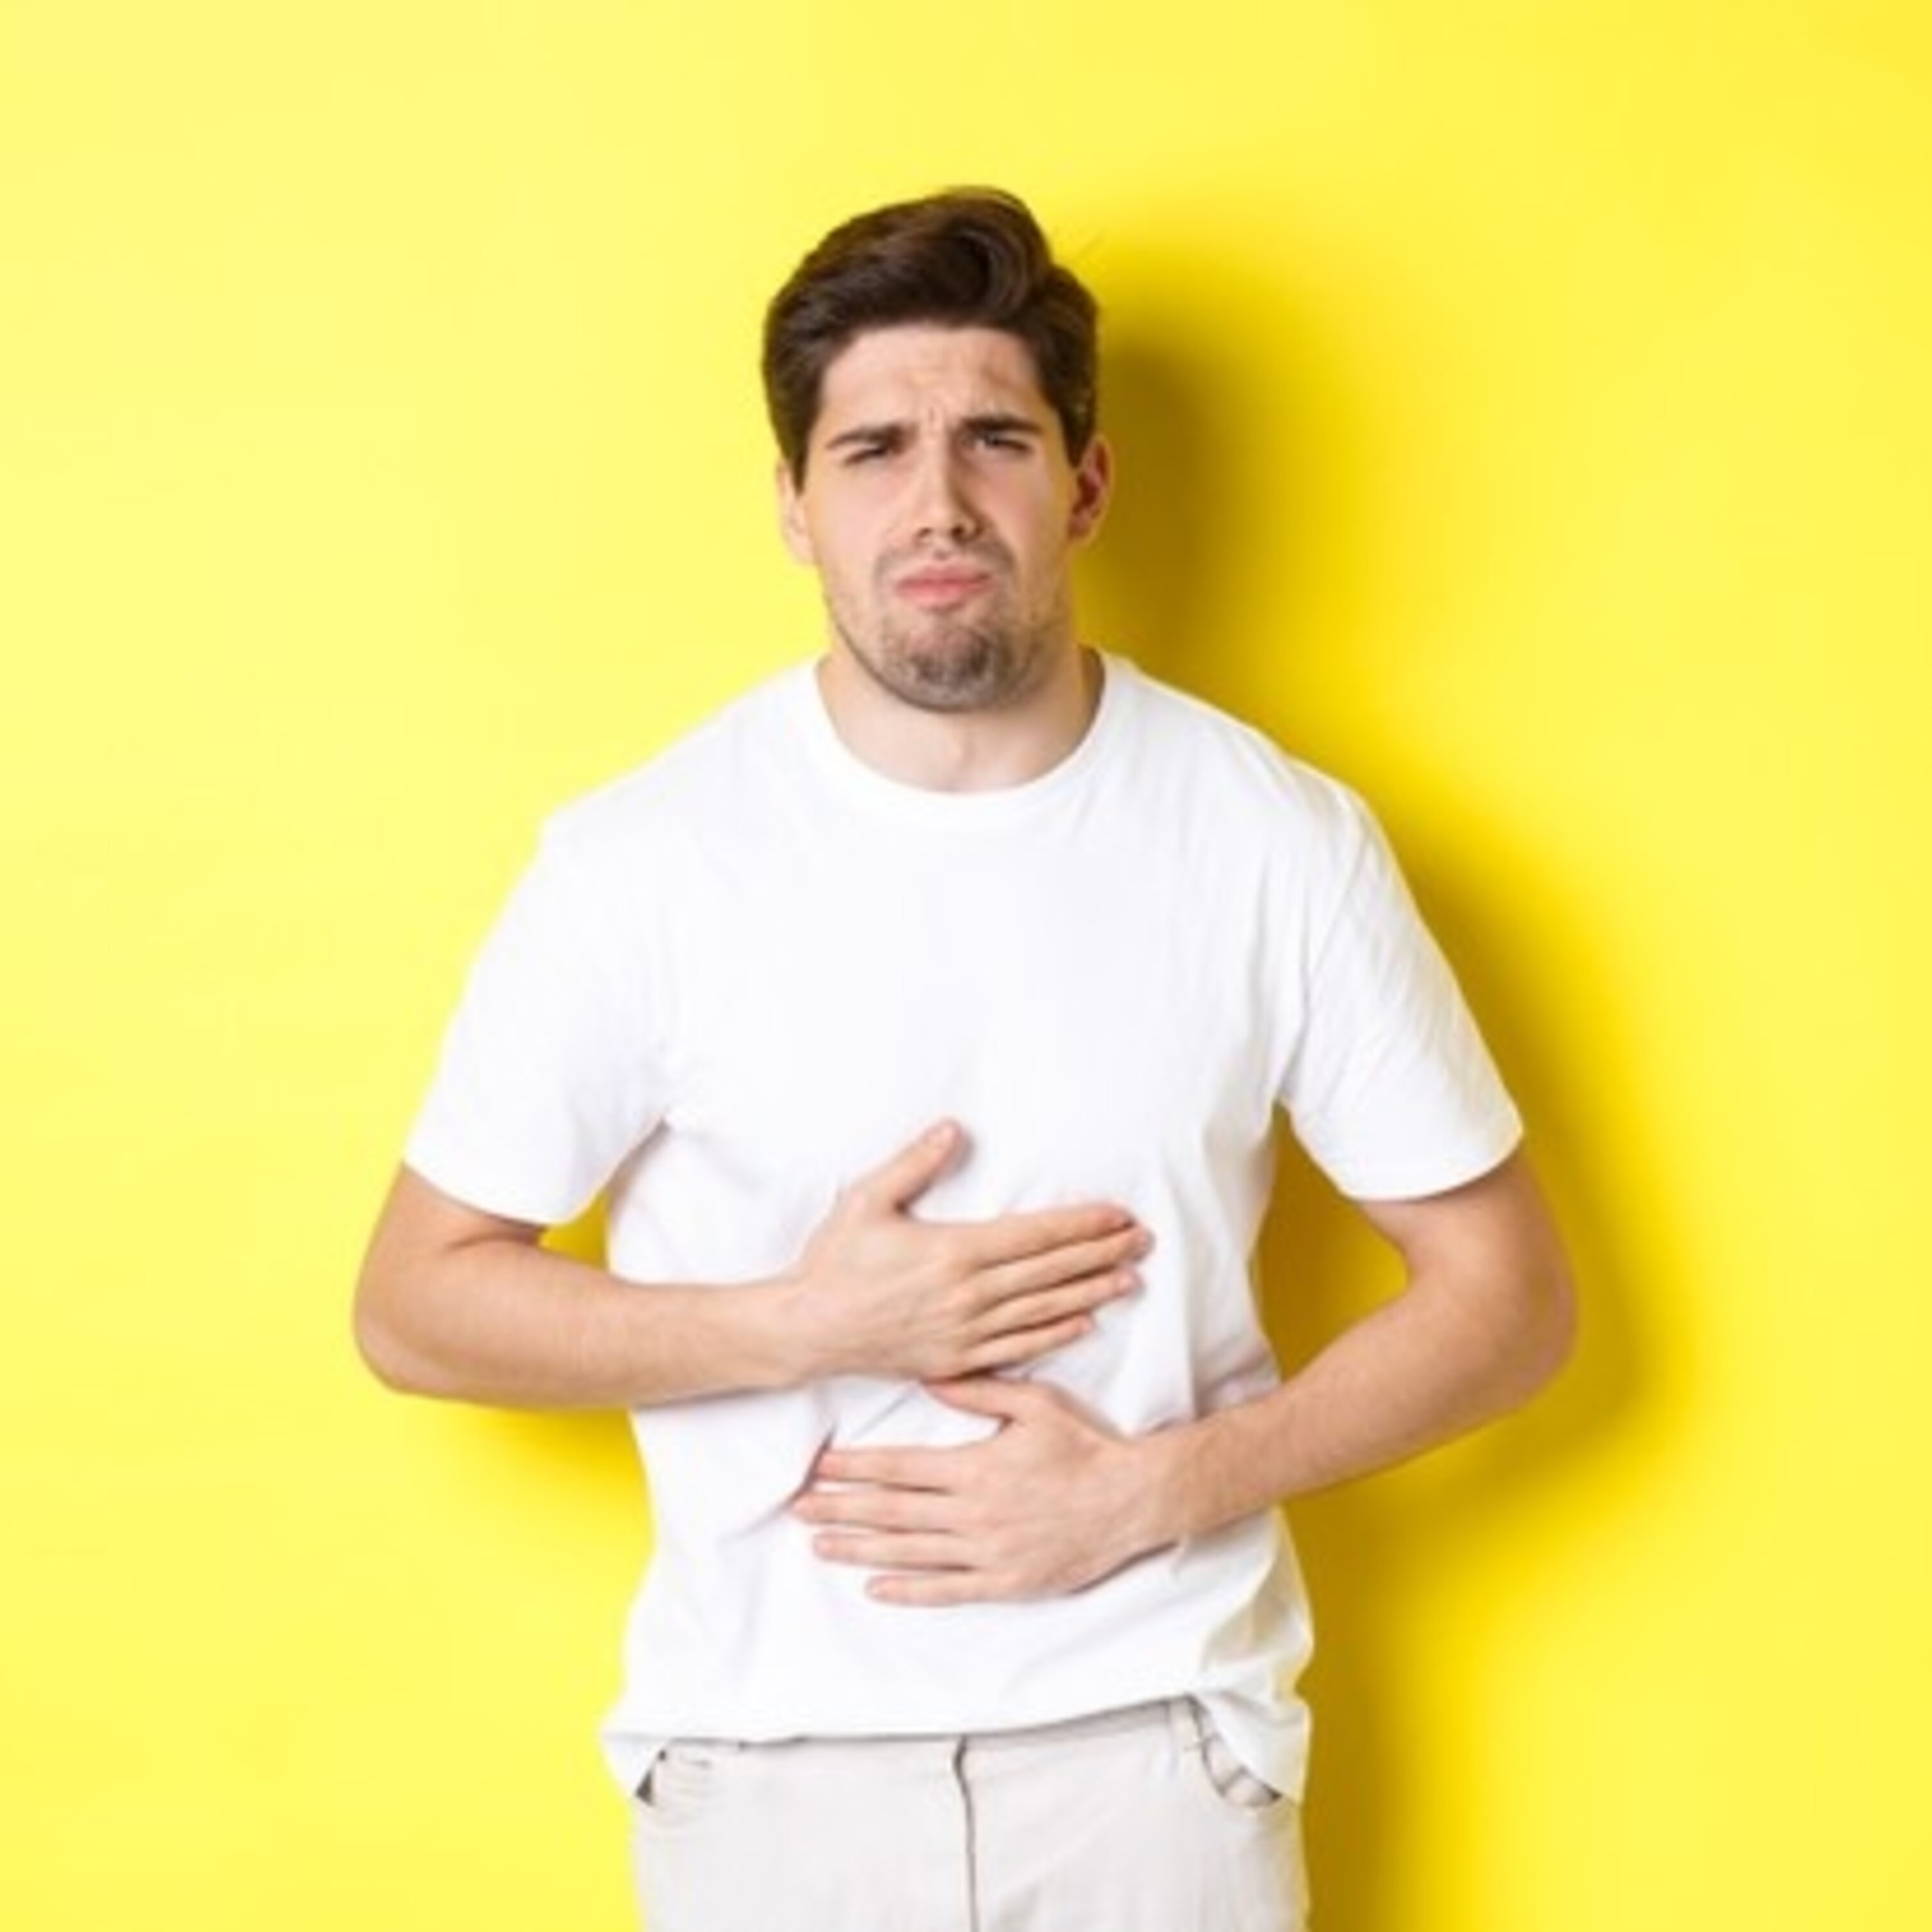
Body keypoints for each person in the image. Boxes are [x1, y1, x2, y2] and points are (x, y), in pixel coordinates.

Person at [354, 187, 1575, 1932]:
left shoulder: (1273, 839)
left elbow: (1508, 1298)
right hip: (767, 1772)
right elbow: (414, 1306)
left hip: (1158, 1752)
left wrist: (1153, 1492)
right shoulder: (641, 864)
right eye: (873, 450)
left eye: (994, 439)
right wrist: (814, 1322)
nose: (935, 501)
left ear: (1086, 482)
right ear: (796, 505)